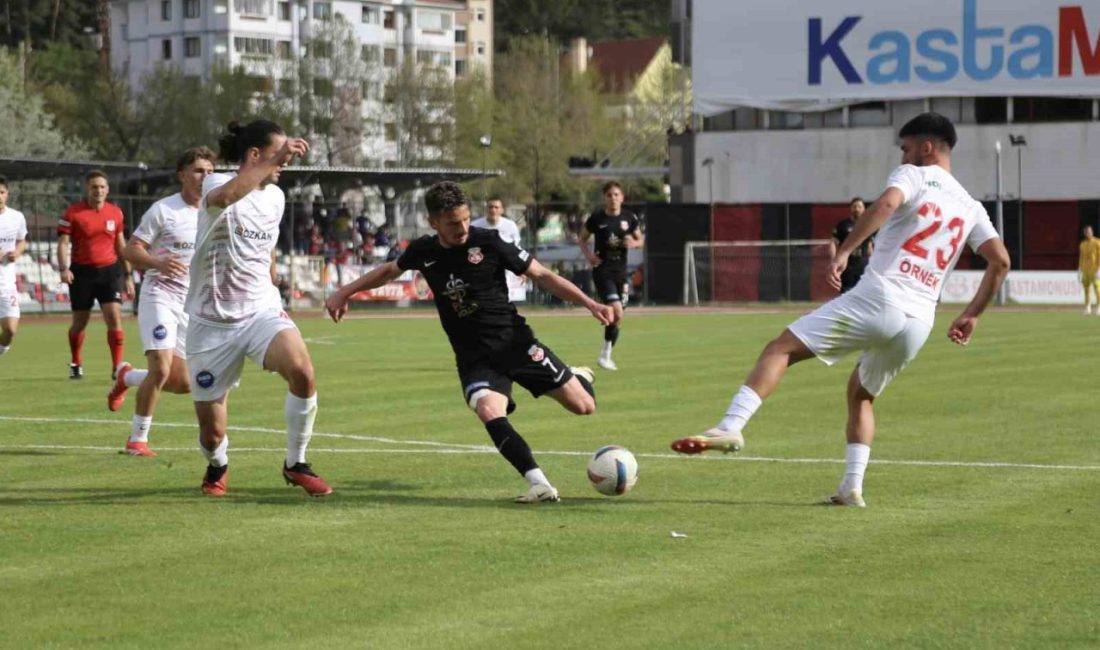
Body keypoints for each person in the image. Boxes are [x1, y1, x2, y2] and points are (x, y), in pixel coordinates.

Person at [670, 112, 1011, 508]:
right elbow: (1000, 261)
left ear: (926, 147)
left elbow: (885, 203)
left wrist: (845, 252)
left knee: (780, 349)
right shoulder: (971, 207)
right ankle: (851, 487)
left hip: (881, 296)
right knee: (861, 394)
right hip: (920, 319)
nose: (902, 156)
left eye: (905, 148)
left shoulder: (914, 176)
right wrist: (972, 314)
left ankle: (731, 426)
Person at [326, 182, 615, 503]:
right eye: (452, 222)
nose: (463, 227)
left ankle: (579, 377)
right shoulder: (424, 251)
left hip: (514, 343)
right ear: (433, 222)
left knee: (583, 407)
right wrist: (343, 291)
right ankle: (539, 484)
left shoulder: (489, 242)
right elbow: (388, 272)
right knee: (488, 409)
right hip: (473, 356)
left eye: (466, 219)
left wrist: (591, 303)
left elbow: (543, 276)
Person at [185, 120, 331, 497]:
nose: (283, 164)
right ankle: (218, 464)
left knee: (303, 371)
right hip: (210, 322)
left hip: (259, 311)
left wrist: (271, 276)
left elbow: (265, 248)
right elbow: (231, 196)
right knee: (212, 432)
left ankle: (296, 462)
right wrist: (274, 160)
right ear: (254, 156)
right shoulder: (216, 184)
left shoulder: (277, 198)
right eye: (277, 155)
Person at [106, 147, 215, 457]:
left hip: (191, 305)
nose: (204, 177)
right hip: (160, 297)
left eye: (209, 171)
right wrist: (158, 263)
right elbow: (130, 250)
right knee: (162, 368)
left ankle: (127, 376)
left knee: (182, 383)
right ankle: (137, 440)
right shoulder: (164, 210)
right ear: (182, 174)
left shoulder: (215, 213)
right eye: (197, 170)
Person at [58, 170, 134, 380]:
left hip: (109, 271)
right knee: (80, 322)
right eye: (94, 187)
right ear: (87, 189)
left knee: (114, 317)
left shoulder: (116, 213)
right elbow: (63, 244)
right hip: (82, 273)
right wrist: (64, 268)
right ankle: (76, 361)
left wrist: (127, 275)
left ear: (107, 189)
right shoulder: (73, 213)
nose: (98, 190)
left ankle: (117, 366)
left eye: (102, 187)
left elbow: (121, 244)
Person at [578, 181, 643, 370]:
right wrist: (589, 255)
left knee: (617, 317)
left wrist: (635, 243)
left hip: (621, 273)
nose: (613, 198)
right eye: (609, 195)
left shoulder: (629, 218)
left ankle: (605, 354)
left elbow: (641, 238)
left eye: (616, 195)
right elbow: (582, 239)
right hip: (603, 271)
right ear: (604, 198)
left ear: (622, 197)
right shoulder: (597, 218)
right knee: (617, 310)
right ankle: (605, 356)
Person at [472, 197, 526, 302]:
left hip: (505, 268)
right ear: (486, 209)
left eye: (496, 207)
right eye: (490, 207)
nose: (493, 210)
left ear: (502, 210)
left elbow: (517, 248)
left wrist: (521, 268)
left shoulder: (510, 226)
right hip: (482, 268)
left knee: (505, 299)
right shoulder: (475, 226)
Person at [0, 175, 28, 359]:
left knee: (10, 330)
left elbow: (22, 241)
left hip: (5, 283)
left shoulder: (16, 217)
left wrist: (16, 253)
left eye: (1, 192)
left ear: (7, 194)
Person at [828, 197, 875, 292]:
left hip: (863, 266)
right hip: (847, 266)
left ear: (864, 209)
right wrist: (834, 260)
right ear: (851, 208)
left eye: (859, 207)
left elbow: (869, 246)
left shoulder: (867, 225)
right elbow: (833, 243)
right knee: (846, 294)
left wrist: (873, 262)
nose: (857, 209)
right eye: (855, 206)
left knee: (863, 294)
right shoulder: (843, 225)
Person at [1078, 225, 1100, 315]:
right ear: (1084, 233)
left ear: (1092, 232)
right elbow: (1081, 257)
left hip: (1094, 269)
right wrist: (1079, 269)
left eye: (1089, 231)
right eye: (1086, 232)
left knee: (1097, 288)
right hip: (1085, 270)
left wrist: (1099, 268)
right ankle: (1088, 307)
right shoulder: (1082, 244)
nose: (1088, 233)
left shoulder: (1097, 242)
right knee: (1086, 289)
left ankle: (1099, 307)